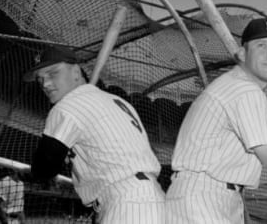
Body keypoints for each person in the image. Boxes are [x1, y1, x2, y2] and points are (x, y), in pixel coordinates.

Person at [165, 17, 267, 224]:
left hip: (216, 196)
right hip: (203, 197)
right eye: (261, 45)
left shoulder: (242, 87)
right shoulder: (244, 90)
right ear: (242, 54)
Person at [25, 46, 165, 224]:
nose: (45, 84)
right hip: (153, 199)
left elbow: (43, 169)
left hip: (126, 204)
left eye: (53, 73)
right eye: (40, 79)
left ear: (76, 71)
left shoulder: (66, 106)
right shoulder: (117, 101)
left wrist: (59, 156)